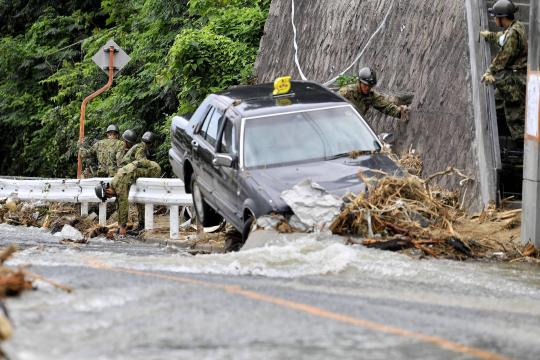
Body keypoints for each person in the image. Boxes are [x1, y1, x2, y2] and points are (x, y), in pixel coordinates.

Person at [480, 0, 527, 142]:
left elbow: (503, 57)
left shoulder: (513, 34)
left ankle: (522, 148)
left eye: (495, 17)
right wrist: (489, 35)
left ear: (502, 18)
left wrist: (489, 72)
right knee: (494, 103)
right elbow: (502, 39)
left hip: (516, 80)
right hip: (515, 76)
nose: (494, 19)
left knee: (514, 115)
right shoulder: (516, 26)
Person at [94, 159, 161, 237]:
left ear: (107, 191)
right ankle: (141, 224)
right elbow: (118, 204)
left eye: (108, 196)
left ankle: (143, 225)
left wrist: (122, 227)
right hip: (146, 169)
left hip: (153, 170)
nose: (110, 197)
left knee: (142, 200)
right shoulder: (115, 184)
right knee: (139, 199)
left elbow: (123, 205)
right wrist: (119, 225)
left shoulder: (119, 185)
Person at [338, 67, 410, 121]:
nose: (367, 88)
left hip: (356, 126)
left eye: (370, 86)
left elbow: (385, 106)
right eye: (365, 85)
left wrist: (400, 112)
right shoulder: (346, 93)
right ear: (359, 82)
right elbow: (331, 106)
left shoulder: (371, 95)